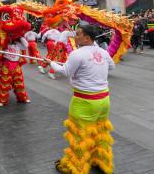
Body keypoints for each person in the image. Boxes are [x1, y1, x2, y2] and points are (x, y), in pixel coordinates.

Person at [45, 25, 115, 174]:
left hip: (84, 102)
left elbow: (66, 72)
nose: (74, 37)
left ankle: (76, 168)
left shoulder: (77, 54)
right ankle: (101, 161)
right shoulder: (103, 52)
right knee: (100, 133)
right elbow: (112, 67)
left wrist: (51, 63)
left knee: (79, 137)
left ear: (87, 38)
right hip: (104, 101)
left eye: (78, 34)